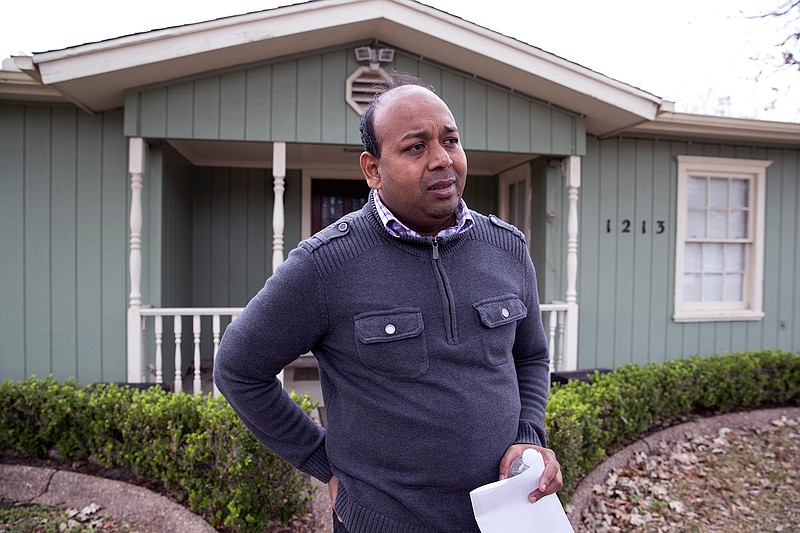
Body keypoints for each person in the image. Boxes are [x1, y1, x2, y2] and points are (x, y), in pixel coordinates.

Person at [213, 73, 563, 533]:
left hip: (509, 516)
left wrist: (528, 437)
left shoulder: (507, 247)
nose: (442, 159)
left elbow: (530, 356)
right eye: (415, 147)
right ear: (373, 169)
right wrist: (324, 464)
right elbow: (238, 369)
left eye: (450, 140)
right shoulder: (325, 265)